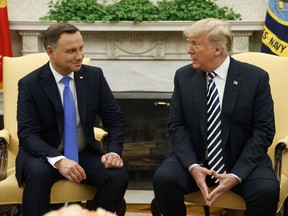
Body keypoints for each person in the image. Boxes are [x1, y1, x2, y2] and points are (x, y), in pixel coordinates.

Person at [153, 18, 279, 216]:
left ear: (217, 50)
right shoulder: (183, 77)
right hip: (196, 159)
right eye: (189, 43)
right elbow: (176, 125)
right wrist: (193, 166)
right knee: (164, 178)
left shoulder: (255, 78)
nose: (189, 50)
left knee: (266, 191)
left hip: (242, 161)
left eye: (195, 43)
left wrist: (237, 174)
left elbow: (263, 130)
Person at [16, 23, 128, 216]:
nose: (80, 56)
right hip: (44, 156)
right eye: (71, 51)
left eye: (81, 48)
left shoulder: (94, 76)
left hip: (83, 153)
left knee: (117, 177)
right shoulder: (30, 84)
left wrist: (114, 152)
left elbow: (115, 118)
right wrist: (59, 160)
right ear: (51, 52)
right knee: (38, 173)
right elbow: (27, 134)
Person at [44, 204, 115, 216]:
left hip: (85, 165)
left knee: (118, 176)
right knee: (37, 172)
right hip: (44, 165)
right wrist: (57, 162)